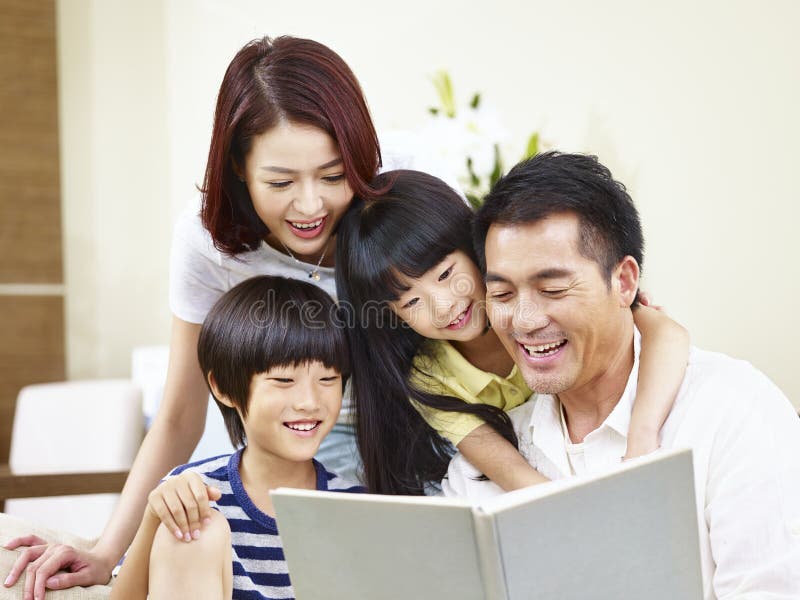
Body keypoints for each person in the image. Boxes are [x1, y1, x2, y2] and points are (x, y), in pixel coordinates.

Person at [3, 35, 449, 595]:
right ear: (239, 166)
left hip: (421, 417)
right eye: (281, 182)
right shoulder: (208, 242)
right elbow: (180, 412)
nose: (311, 206)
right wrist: (107, 548)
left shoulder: (404, 184)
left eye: (334, 177)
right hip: (312, 443)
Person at [444, 151, 800, 597]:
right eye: (501, 293)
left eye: (553, 289)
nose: (525, 319)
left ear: (625, 282)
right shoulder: (482, 468)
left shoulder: (731, 413)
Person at [335, 169, 690, 495]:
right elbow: (512, 472)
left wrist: (642, 442)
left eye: (446, 275)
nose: (442, 306)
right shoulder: (431, 377)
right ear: (393, 316)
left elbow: (667, 334)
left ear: (476, 250)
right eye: (411, 302)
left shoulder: (543, 310)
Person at [109, 275, 362, 600]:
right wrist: (154, 515)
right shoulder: (191, 489)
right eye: (284, 380)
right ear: (224, 387)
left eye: (328, 378)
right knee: (195, 525)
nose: (309, 402)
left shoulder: (355, 504)